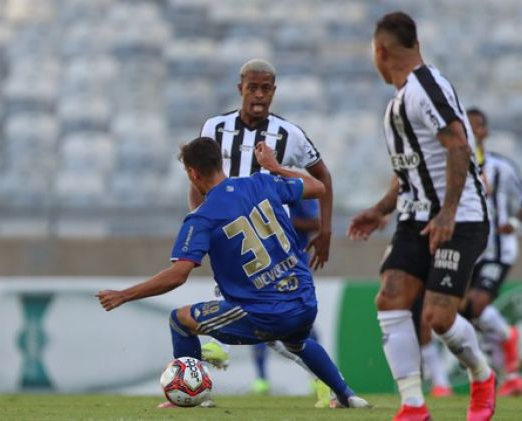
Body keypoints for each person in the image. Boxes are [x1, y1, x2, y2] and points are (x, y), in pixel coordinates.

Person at [96, 138, 369, 410]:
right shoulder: (260, 182)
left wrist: (124, 294)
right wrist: (274, 166)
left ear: (193, 173)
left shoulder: (202, 218)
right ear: (219, 163)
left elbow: (178, 275)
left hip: (263, 313)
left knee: (180, 320)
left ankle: (190, 398)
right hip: (304, 301)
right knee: (297, 341)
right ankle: (346, 395)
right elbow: (318, 187)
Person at [348, 12, 495, 421]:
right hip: (415, 218)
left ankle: (482, 376)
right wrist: (380, 210)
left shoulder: (424, 89)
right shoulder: (399, 102)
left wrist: (447, 214)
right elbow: (411, 172)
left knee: (438, 318)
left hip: (459, 218)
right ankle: (413, 406)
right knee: (391, 297)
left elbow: (459, 146)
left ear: (380, 51)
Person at [191, 59, 335, 406]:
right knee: (252, 312)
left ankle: (324, 380)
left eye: (265, 88)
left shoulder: (290, 135)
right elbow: (197, 174)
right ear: (240, 87)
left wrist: (325, 231)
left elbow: (323, 177)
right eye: (252, 87)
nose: (258, 95)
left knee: (280, 321)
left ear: (274, 90)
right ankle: (209, 367)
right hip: (231, 230)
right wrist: (198, 217)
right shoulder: (215, 127)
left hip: (272, 238)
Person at [464, 107, 522, 396]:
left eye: (476, 126)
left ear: (485, 132)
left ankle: (499, 358)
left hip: (498, 250)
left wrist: (514, 222)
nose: (472, 131)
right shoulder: (453, 166)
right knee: (464, 313)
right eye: (466, 126)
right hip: (471, 249)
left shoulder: (500, 167)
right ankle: (510, 367)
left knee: (476, 306)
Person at [249, 197, 332, 407]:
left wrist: (276, 219)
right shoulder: (256, 186)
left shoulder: (293, 187)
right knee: (257, 320)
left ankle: (321, 377)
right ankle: (261, 379)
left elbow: (315, 223)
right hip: (264, 268)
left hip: (294, 267)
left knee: (302, 324)